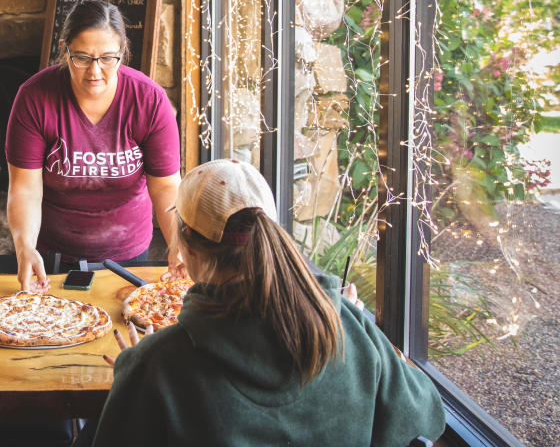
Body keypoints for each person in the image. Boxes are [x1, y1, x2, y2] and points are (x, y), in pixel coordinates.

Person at [91, 159, 446, 447]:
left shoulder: (158, 365)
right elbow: (427, 415)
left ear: (185, 243)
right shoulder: (345, 322)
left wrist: (133, 371)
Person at [5, 0, 182, 291]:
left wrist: (178, 240)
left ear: (123, 52)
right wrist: (25, 245)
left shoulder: (149, 101)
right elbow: (24, 188)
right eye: (82, 57)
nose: (95, 71)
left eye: (108, 58)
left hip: (130, 251)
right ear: (64, 50)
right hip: (53, 255)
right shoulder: (34, 98)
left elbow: (166, 186)